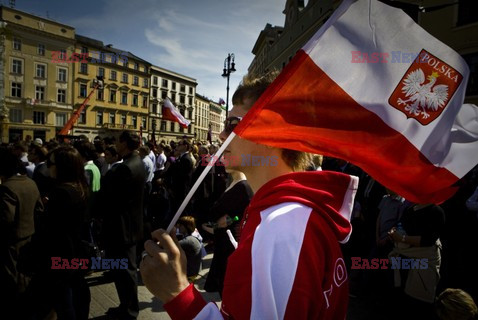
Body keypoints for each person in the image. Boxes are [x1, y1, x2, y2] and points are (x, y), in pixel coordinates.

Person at [140, 72, 358, 319]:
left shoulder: (283, 227)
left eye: (233, 125)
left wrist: (177, 293)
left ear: (272, 132)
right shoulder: (288, 215)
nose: (222, 135)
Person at [32, 146, 91, 319]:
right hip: (76, 252)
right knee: (76, 292)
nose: (47, 167)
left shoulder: (61, 193)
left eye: (50, 163)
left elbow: (50, 229)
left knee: (63, 300)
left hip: (60, 255)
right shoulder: (80, 187)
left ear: (61, 167)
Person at [96, 130, 146, 319]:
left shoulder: (123, 168)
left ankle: (129, 309)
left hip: (121, 227)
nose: (115, 144)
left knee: (124, 270)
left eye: (118, 141)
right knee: (125, 269)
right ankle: (126, 306)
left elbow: (108, 198)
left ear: (124, 144)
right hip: (131, 225)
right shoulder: (137, 162)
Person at [0, 147, 43, 318]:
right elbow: (40, 210)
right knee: (24, 276)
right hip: (30, 236)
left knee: (12, 280)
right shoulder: (30, 182)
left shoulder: (7, 188)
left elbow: (6, 220)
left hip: (12, 242)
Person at [175, 216, 204, 281]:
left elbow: (170, 247)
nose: (178, 227)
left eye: (180, 225)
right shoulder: (192, 237)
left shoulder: (189, 240)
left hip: (190, 273)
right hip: (193, 270)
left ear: (186, 226)